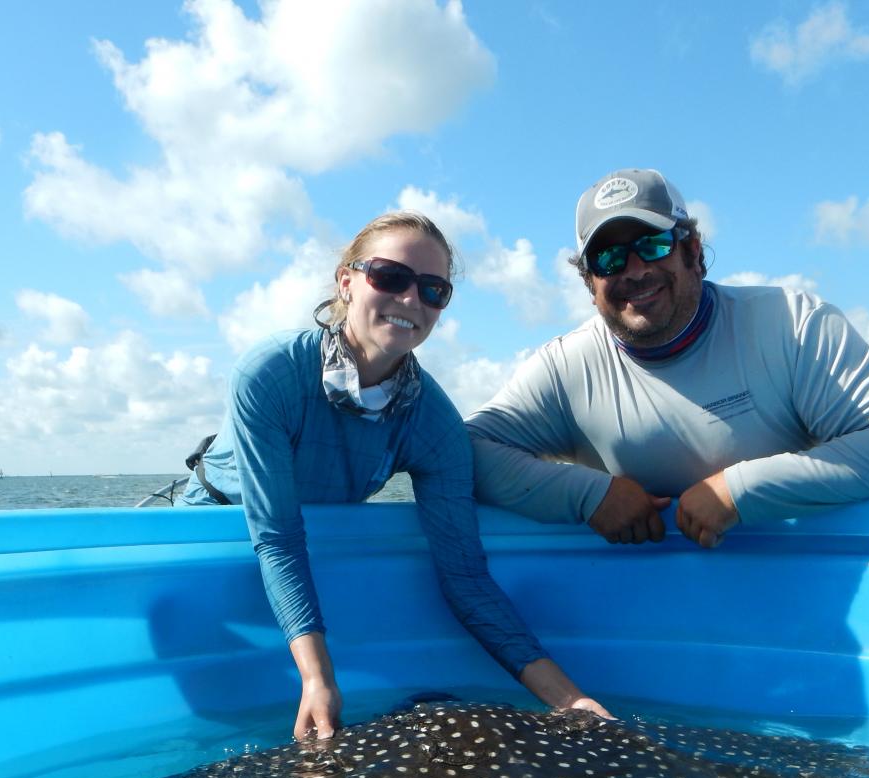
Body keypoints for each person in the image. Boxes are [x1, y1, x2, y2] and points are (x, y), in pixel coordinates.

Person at [179, 211, 606, 739]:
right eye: (390, 276)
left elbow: (465, 577)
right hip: (212, 530)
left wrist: (571, 702)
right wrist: (317, 678)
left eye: (433, 290)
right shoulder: (270, 373)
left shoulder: (435, 426)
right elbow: (278, 537)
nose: (410, 299)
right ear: (346, 281)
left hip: (308, 553)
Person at [465, 168, 869, 549]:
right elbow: (462, 452)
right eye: (609, 259)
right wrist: (588, 495)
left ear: (693, 252)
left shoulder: (791, 323)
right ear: (590, 284)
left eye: (653, 245)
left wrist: (738, 490)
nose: (635, 270)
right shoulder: (565, 368)